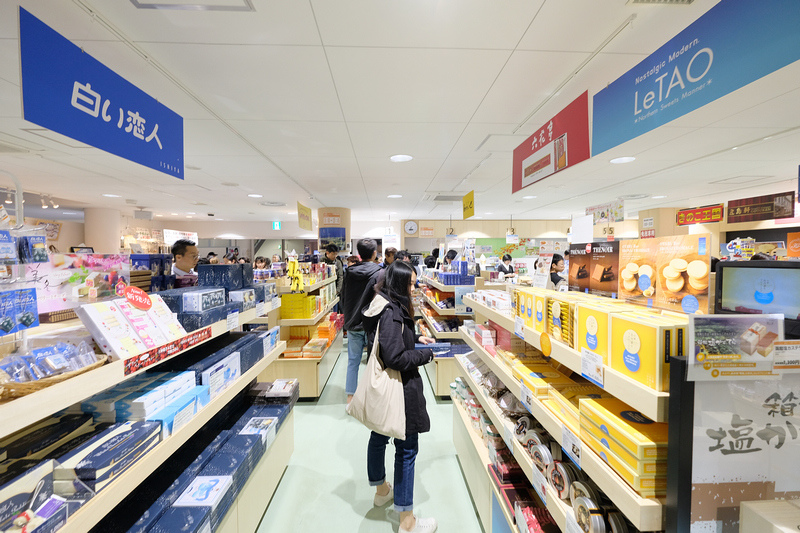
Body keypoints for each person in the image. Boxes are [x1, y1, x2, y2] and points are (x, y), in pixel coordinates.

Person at [361, 261, 437, 533]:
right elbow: (395, 356)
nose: (414, 288)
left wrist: (415, 338)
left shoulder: (381, 303)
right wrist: (424, 355)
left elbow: (391, 340)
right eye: (411, 283)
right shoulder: (392, 311)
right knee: (406, 449)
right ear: (399, 285)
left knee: (380, 434)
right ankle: (407, 522)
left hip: (386, 390)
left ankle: (382, 489)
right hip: (401, 389)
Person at [340, 239, 382, 404]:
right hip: (372, 323)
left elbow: (343, 297)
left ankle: (351, 397)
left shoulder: (349, 272)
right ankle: (371, 396)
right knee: (375, 361)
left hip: (352, 322)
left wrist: (347, 316)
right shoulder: (379, 272)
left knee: (353, 360)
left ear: (359, 254)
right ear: (374, 254)